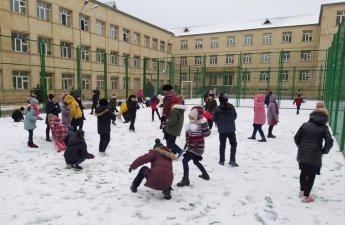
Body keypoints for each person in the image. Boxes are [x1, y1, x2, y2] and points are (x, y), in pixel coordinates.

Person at [294, 102, 334, 203]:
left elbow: (296, 138)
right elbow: (329, 141)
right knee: (311, 175)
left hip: (303, 153)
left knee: (303, 172)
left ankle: (302, 191)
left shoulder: (305, 124)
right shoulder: (324, 127)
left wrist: (301, 146)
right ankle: (306, 196)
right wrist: (324, 151)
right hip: (315, 154)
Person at [177, 106, 211, 187]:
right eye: (189, 116)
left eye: (192, 116)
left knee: (185, 161)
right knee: (195, 161)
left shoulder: (201, 124)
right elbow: (188, 137)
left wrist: (205, 125)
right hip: (192, 147)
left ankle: (186, 179)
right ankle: (205, 174)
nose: (190, 117)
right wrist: (186, 146)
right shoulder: (190, 124)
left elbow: (206, 134)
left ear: (197, 116)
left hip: (198, 147)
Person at [213, 93, 238, 166]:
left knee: (222, 145)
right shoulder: (231, 107)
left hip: (222, 130)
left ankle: (221, 160)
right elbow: (235, 116)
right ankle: (232, 160)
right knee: (233, 144)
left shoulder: (217, 109)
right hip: (231, 130)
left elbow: (215, 119)